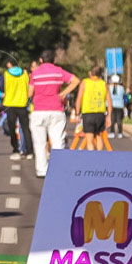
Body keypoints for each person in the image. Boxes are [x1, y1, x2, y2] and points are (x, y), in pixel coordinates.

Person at [28, 50, 80, 178]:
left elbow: (29, 94)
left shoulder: (35, 73)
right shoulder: (59, 71)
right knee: (58, 141)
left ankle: (42, 170)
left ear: (41, 60)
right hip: (57, 110)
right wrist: (63, 93)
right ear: (54, 60)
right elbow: (76, 81)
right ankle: (58, 169)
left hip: (39, 111)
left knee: (39, 143)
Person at [3, 59, 34, 160]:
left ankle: (16, 150)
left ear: (10, 65)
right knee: (25, 128)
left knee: (12, 129)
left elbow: (1, 88)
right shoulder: (25, 74)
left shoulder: (6, 74)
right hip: (22, 104)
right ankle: (30, 151)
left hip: (10, 104)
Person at [75, 66, 110, 150]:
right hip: (100, 113)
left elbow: (79, 98)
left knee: (89, 139)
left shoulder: (84, 82)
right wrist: (109, 115)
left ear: (90, 73)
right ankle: (99, 157)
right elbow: (109, 101)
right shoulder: (103, 83)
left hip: (88, 113)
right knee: (99, 137)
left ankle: (92, 158)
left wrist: (77, 113)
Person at [108, 75, 125, 140]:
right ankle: (120, 133)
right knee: (119, 120)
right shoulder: (121, 88)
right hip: (120, 106)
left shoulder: (109, 87)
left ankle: (112, 132)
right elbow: (124, 95)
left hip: (111, 106)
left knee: (112, 120)